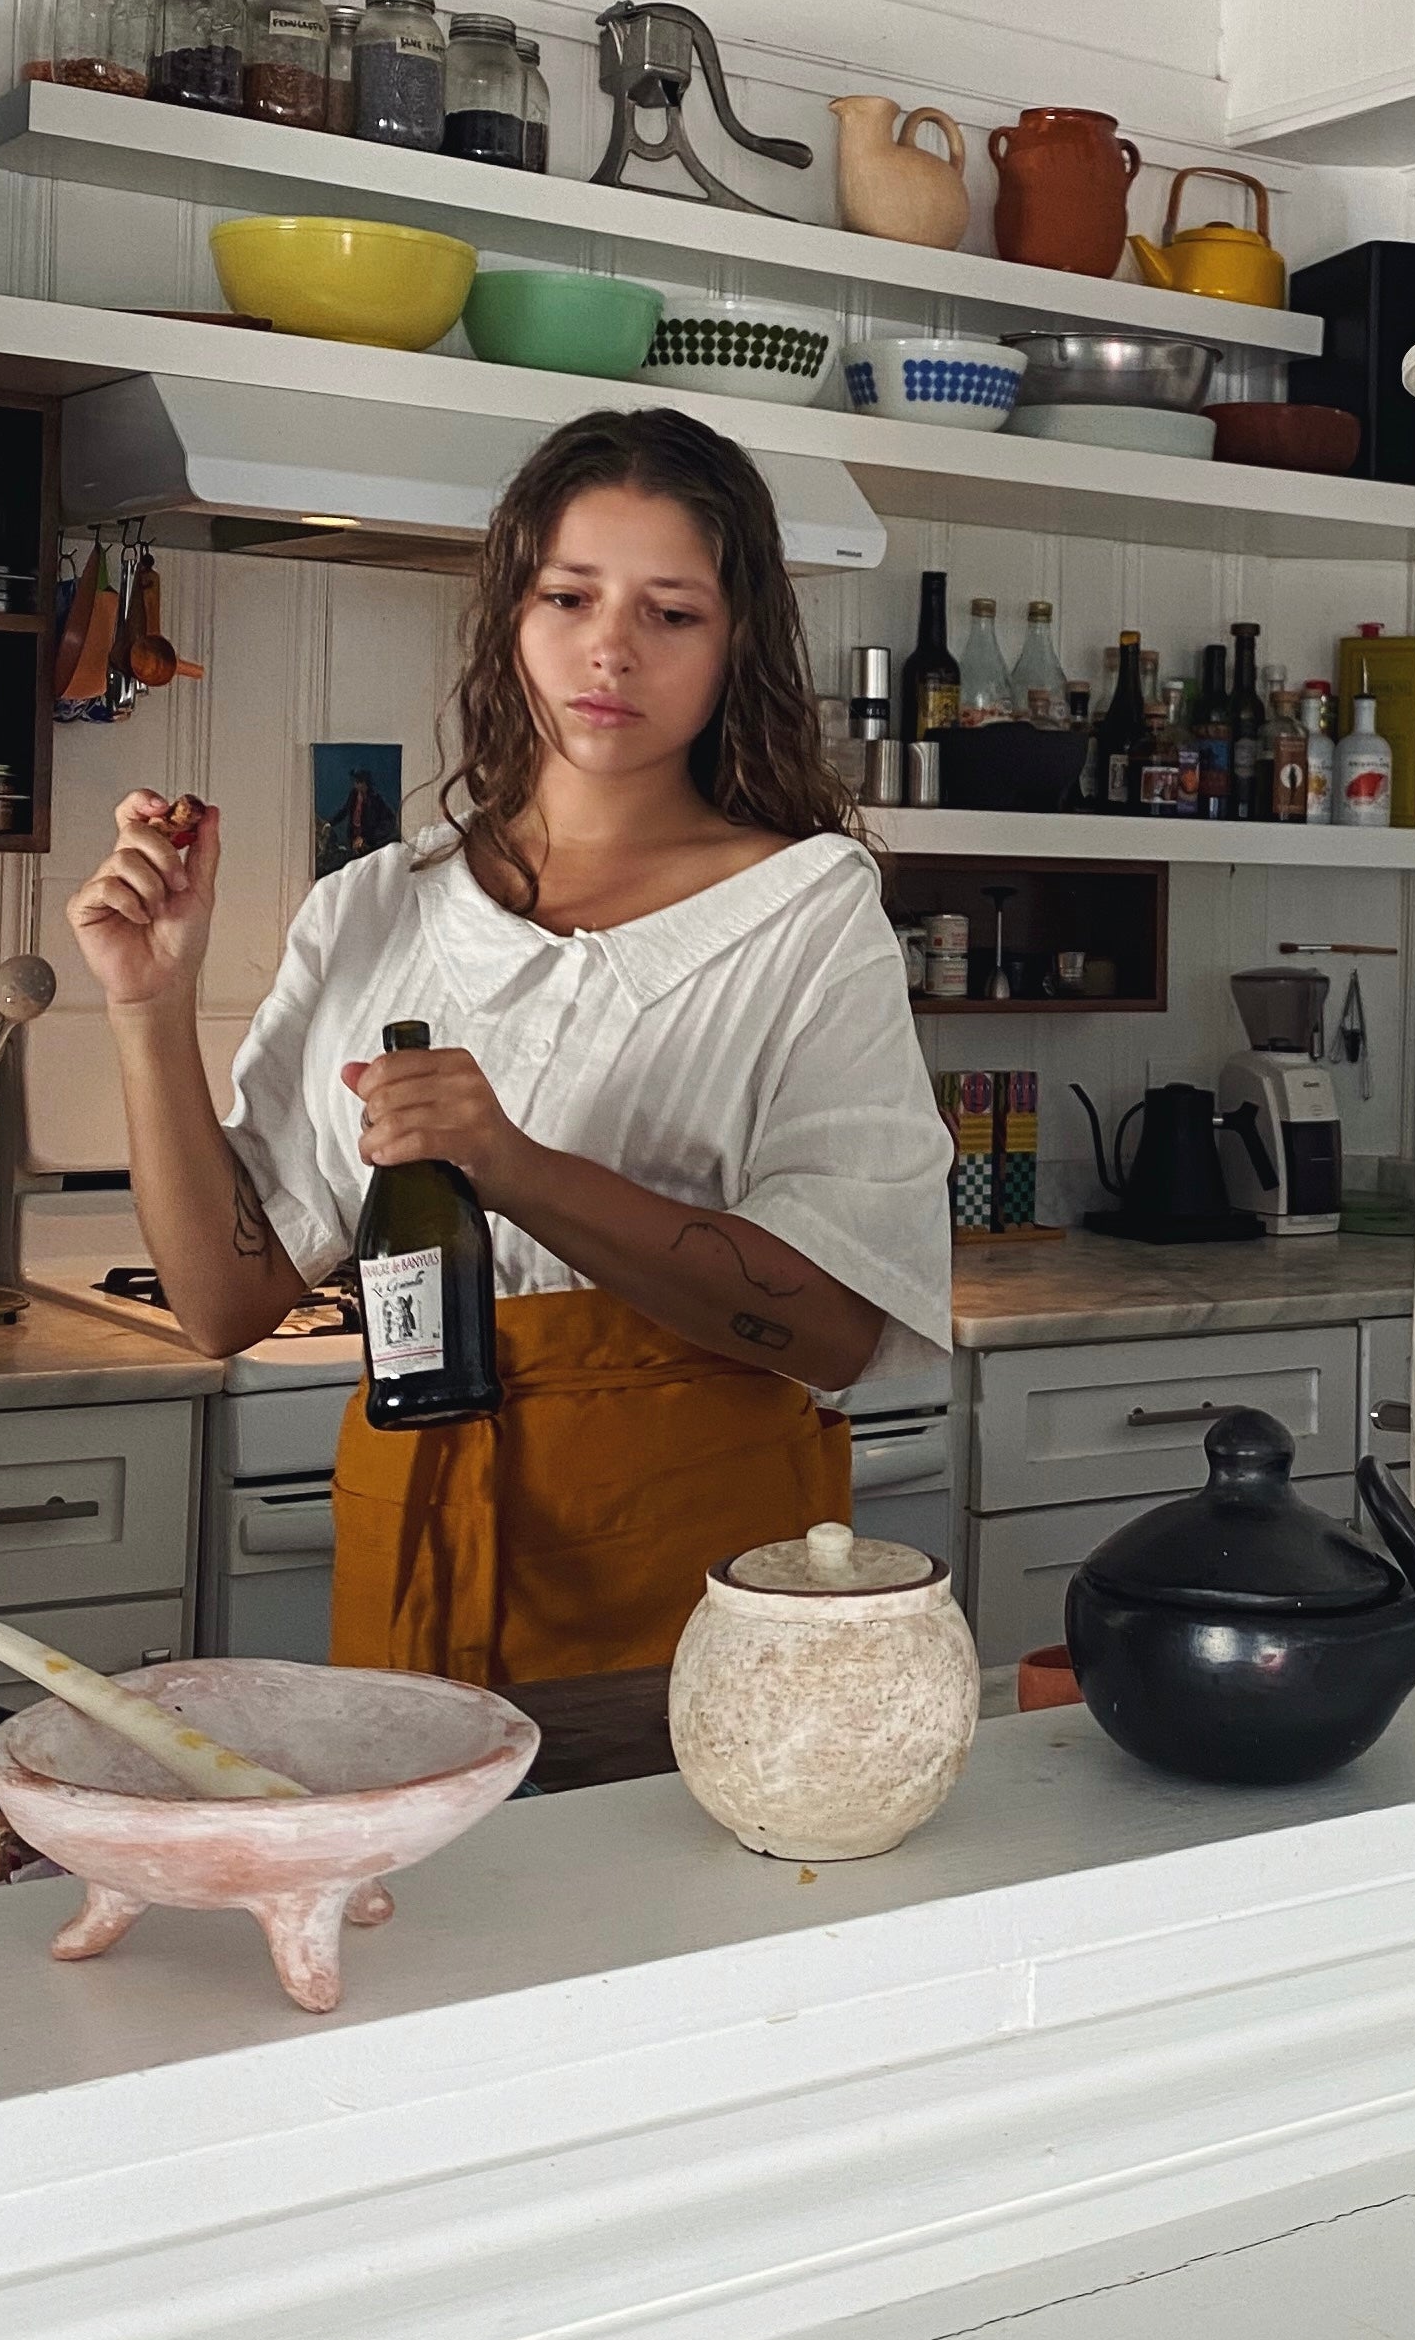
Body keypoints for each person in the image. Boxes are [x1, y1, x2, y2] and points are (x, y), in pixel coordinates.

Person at [67, 406, 950, 1684]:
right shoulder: (373, 904)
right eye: (569, 594)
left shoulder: (807, 910)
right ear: (512, 616)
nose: (611, 649)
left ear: (736, 640)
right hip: (419, 1547)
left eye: (672, 610)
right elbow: (223, 1300)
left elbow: (836, 1333)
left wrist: (516, 1164)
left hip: (694, 1566)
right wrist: (148, 1005)